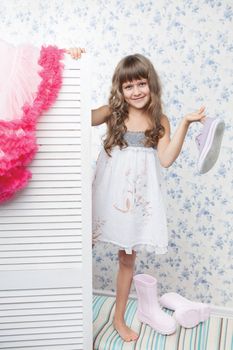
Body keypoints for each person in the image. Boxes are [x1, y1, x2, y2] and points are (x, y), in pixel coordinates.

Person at [68, 47, 206, 342]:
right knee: (80, 248)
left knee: (127, 258)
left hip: (134, 203)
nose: (135, 90)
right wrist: (72, 65)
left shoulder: (160, 121)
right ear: (120, 88)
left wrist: (183, 123)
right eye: (128, 85)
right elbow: (80, 115)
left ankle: (118, 318)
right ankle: (67, 310)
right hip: (105, 196)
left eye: (140, 83)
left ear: (150, 83)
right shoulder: (112, 112)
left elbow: (166, 158)